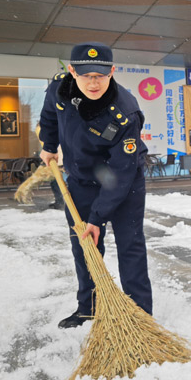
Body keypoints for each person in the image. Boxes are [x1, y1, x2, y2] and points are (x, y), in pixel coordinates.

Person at [39, 42, 153, 328]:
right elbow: (50, 116)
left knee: (130, 246)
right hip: (80, 181)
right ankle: (88, 307)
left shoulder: (124, 111)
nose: (93, 82)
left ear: (112, 72)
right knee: (84, 248)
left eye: (101, 75)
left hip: (124, 181)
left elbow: (120, 173)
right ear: (72, 71)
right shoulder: (58, 89)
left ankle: (140, 314)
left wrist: (97, 218)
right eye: (87, 75)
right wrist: (49, 145)